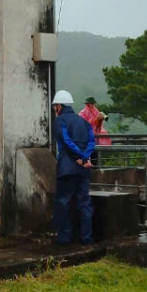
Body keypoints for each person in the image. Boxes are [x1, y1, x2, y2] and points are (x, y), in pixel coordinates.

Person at [52, 90, 95, 245]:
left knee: (63, 202)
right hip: (84, 169)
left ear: (58, 106)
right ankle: (87, 238)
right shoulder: (83, 121)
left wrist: (79, 157)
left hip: (67, 168)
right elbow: (91, 140)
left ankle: (64, 238)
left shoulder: (60, 121)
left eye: (55, 106)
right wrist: (85, 156)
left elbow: (66, 141)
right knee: (84, 203)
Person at [79, 96, 112, 165]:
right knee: (86, 155)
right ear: (88, 104)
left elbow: (98, 124)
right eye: (91, 104)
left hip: (95, 137)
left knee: (94, 156)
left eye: (93, 104)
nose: (93, 105)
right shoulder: (82, 113)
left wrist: (100, 118)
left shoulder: (95, 111)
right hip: (86, 138)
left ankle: (95, 168)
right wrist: (95, 119)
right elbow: (83, 124)